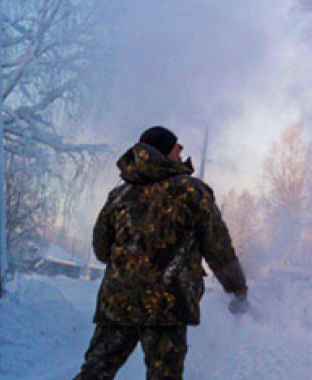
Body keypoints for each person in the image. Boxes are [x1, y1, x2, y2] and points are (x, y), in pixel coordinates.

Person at [72, 126, 248, 380]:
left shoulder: (118, 195)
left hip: (118, 303)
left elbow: (101, 250)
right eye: (177, 146)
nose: (181, 151)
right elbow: (217, 247)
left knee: (95, 373)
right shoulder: (192, 191)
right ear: (164, 151)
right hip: (167, 306)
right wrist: (237, 286)